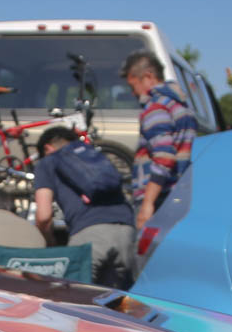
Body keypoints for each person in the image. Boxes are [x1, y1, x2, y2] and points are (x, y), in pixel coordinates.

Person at [32, 126, 138, 288]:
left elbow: (44, 216)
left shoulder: (48, 162)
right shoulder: (96, 156)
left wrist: (50, 242)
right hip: (126, 232)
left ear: (47, 148)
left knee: (76, 300)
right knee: (113, 301)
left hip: (88, 236)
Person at [121, 50, 196, 230]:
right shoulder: (180, 105)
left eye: (133, 85)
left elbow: (164, 157)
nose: (133, 93)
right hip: (178, 195)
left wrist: (147, 205)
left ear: (148, 76)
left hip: (159, 198)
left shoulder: (155, 108)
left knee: (149, 247)